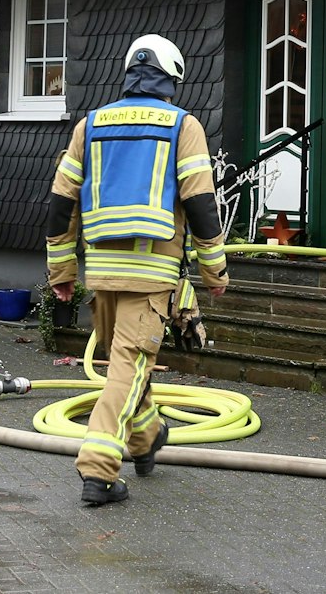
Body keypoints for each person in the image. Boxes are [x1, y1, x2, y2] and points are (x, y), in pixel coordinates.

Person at [47, 34, 228, 508]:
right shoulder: (183, 125)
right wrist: (215, 271)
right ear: (171, 77)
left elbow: (61, 202)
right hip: (152, 274)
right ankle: (99, 469)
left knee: (125, 365)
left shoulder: (91, 124)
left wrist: (61, 269)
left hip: (101, 272)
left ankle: (147, 437)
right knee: (128, 368)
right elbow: (201, 204)